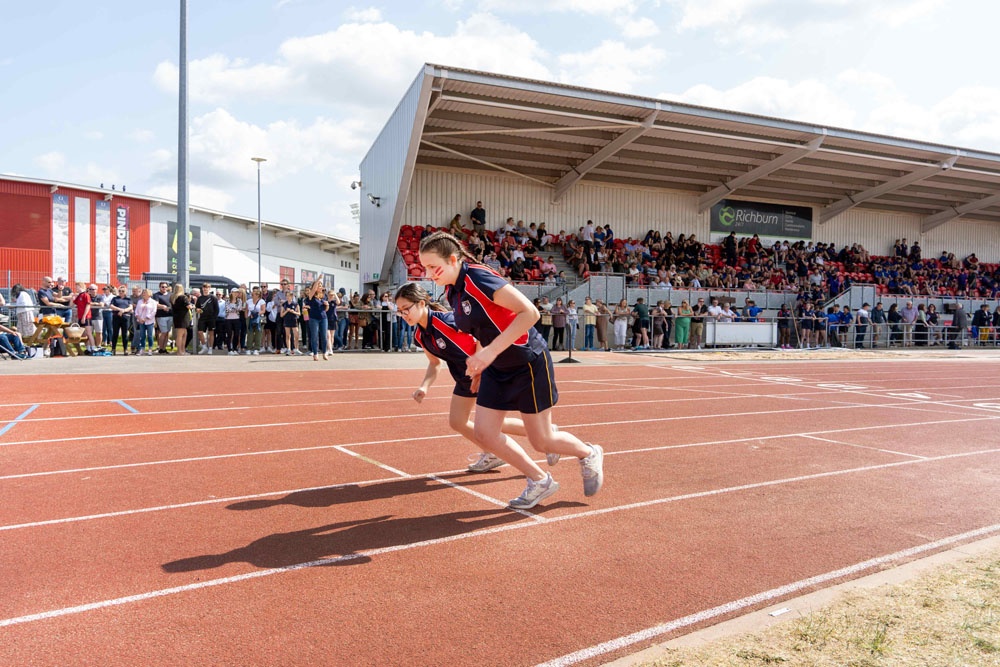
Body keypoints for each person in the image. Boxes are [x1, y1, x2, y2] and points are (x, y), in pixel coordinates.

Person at [418, 231, 604, 509]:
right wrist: (482, 363)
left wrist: (489, 352)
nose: (428, 274)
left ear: (453, 260)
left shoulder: (479, 278)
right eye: (425, 268)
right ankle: (539, 480)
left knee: (542, 441)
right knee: (484, 432)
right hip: (496, 366)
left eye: (433, 266)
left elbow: (530, 313)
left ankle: (588, 452)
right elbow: (482, 328)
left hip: (527, 361)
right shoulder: (451, 290)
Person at [395, 282, 558, 473]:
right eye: (399, 311)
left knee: (492, 425)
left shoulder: (448, 321)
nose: (403, 315)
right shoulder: (420, 335)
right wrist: (424, 387)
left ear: (421, 303)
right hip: (464, 379)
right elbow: (434, 363)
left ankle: (547, 438)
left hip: (485, 374)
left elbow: (482, 335)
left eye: (406, 309)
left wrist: (480, 366)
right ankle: (494, 453)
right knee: (458, 422)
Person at [72, 282, 98, 354]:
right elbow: (75, 303)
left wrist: (84, 316)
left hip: (86, 316)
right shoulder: (79, 295)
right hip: (80, 316)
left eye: (77, 287)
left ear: (81, 287)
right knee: (83, 333)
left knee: (89, 333)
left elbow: (88, 306)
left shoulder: (86, 295)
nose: (76, 289)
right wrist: (73, 297)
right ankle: (88, 348)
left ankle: (93, 347)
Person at [108, 285, 133, 354]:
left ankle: (125, 349)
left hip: (125, 318)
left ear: (126, 292)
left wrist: (123, 310)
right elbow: (111, 306)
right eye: (119, 291)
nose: (121, 292)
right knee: (115, 333)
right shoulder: (115, 298)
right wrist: (119, 309)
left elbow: (130, 307)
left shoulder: (128, 299)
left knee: (125, 334)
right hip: (116, 318)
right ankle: (113, 349)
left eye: (123, 291)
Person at [196, 283, 218, 355]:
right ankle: (204, 346)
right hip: (202, 317)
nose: (205, 289)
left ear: (209, 288)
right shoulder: (200, 298)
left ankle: (210, 348)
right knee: (200, 332)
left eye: (207, 287)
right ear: (202, 288)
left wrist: (214, 318)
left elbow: (216, 309)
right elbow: (197, 307)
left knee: (211, 333)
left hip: (211, 318)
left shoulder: (213, 297)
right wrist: (197, 309)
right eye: (204, 287)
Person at [134, 289, 158, 355]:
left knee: (150, 336)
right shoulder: (140, 301)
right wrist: (139, 318)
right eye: (143, 293)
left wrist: (146, 318)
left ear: (149, 294)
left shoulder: (153, 302)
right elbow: (136, 311)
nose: (143, 294)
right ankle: (142, 349)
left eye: (145, 293)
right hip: (141, 321)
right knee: (142, 335)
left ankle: (150, 349)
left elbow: (154, 312)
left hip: (149, 321)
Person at [170, 284, 191, 355]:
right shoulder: (183, 297)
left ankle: (182, 350)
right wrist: (193, 306)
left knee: (184, 334)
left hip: (177, 317)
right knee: (181, 335)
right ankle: (180, 351)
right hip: (183, 317)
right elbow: (189, 306)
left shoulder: (173, 297)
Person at [153, 281, 174, 354]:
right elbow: (156, 304)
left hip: (170, 315)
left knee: (167, 333)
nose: (164, 288)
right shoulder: (156, 295)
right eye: (162, 287)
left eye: (165, 287)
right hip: (161, 316)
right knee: (163, 332)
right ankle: (160, 347)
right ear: (160, 287)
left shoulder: (170, 295)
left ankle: (164, 349)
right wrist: (163, 307)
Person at [281, 290, 302, 355]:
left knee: (296, 335)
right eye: (286, 296)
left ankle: (296, 349)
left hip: (294, 320)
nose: (288, 297)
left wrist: (293, 312)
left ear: (292, 296)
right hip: (287, 320)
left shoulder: (295, 304)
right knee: (288, 335)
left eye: (289, 296)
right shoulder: (284, 304)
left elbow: (299, 313)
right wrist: (286, 311)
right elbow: (281, 315)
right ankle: (288, 349)